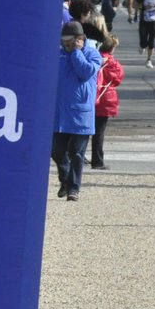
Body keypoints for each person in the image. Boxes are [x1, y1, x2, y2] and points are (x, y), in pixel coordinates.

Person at [52, 21, 102, 201]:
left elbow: (86, 72)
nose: (65, 44)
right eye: (63, 40)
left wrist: (76, 53)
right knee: (56, 151)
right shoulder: (57, 54)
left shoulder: (93, 55)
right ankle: (65, 179)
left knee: (77, 152)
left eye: (69, 41)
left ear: (79, 39)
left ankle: (73, 188)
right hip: (58, 112)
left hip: (80, 113)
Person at [90, 34, 124, 171]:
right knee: (99, 131)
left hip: (91, 96)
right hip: (105, 99)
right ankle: (97, 160)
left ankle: (77, 156)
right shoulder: (112, 63)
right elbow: (118, 79)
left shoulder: (94, 58)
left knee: (84, 131)